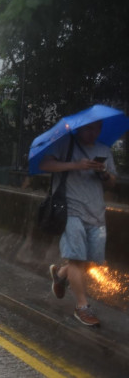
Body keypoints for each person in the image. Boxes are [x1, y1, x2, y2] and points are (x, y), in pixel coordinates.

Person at [40, 120, 116, 327]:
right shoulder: (65, 144)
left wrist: (103, 173)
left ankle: (60, 273)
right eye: (89, 128)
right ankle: (82, 306)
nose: (93, 132)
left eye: (98, 128)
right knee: (75, 258)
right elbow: (45, 165)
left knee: (91, 261)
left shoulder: (104, 150)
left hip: (96, 212)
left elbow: (112, 182)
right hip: (70, 210)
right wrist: (76, 165)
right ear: (80, 128)